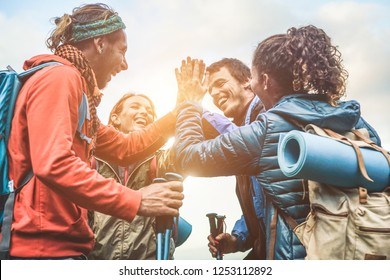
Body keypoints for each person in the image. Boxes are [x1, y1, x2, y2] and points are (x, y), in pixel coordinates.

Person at [173, 25, 382, 259]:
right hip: (357, 249)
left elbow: (186, 157)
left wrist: (188, 103)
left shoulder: (268, 129)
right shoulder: (350, 117)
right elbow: (276, 196)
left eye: (252, 78)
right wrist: (240, 238)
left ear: (263, 80)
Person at [5, 3, 183, 259]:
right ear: (100, 44)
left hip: (62, 247)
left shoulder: (81, 96)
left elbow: (125, 148)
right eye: (122, 51)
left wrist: (181, 111)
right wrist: (136, 200)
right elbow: (54, 164)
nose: (125, 65)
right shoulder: (60, 78)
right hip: (41, 251)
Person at [89, 93, 179, 260]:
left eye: (149, 110)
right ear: (115, 118)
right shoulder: (92, 161)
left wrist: (183, 104)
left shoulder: (160, 160)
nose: (144, 112)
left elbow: (184, 148)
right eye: (136, 106)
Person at [196, 58, 267, 259]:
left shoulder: (267, 113)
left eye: (220, 84)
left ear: (247, 80)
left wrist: (192, 106)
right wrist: (236, 239)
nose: (215, 95)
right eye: (211, 92)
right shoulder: (242, 128)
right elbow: (261, 205)